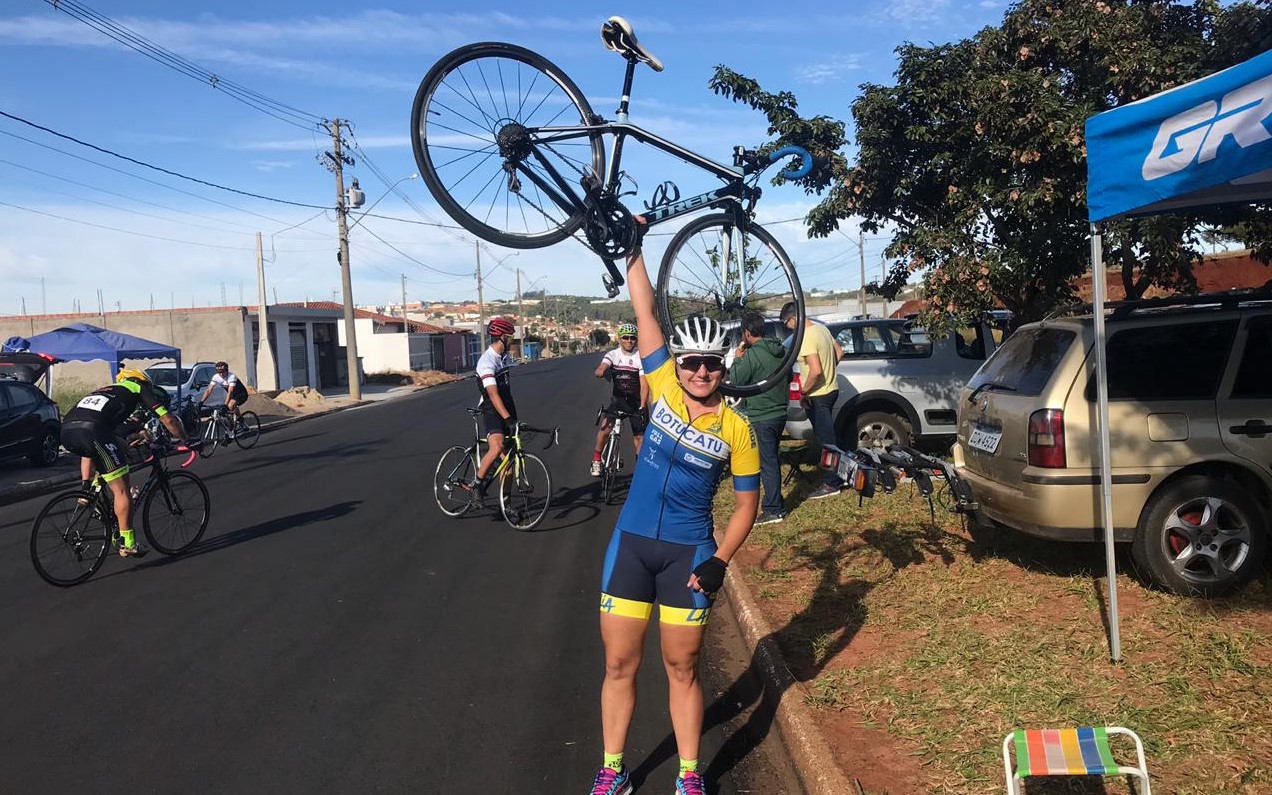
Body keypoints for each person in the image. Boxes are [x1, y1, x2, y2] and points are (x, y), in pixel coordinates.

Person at [588, 221, 760, 795]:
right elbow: (645, 311)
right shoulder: (660, 385)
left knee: (682, 668)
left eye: (711, 363)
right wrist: (632, 245)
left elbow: (746, 505)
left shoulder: (739, 429)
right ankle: (613, 770)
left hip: (689, 554)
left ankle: (689, 775)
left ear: (724, 366)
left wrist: (722, 560)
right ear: (678, 363)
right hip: (632, 547)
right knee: (619, 666)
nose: (700, 372)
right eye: (691, 362)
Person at [61, 368, 197, 557]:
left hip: (67, 431)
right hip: (93, 431)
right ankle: (128, 542)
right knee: (122, 490)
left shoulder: (106, 390)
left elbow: (114, 435)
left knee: (110, 450)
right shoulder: (137, 387)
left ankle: (92, 488)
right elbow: (167, 419)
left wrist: (132, 445)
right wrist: (187, 440)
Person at [729, 311, 789, 524]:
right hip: (781, 412)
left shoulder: (752, 355)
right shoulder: (780, 350)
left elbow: (736, 381)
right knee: (772, 459)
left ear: (746, 332)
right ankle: (775, 504)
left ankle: (773, 509)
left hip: (762, 415)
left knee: (768, 464)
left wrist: (737, 360)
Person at [781, 301, 843, 499]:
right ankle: (838, 474)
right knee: (828, 437)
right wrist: (829, 371)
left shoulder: (806, 337)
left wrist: (803, 393)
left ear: (793, 319)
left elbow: (815, 371)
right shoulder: (821, 329)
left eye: (786, 324)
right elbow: (839, 352)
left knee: (827, 441)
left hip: (818, 395)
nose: (788, 328)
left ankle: (832, 483)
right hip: (831, 390)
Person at [465, 317, 518, 502]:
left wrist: (512, 417)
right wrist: (508, 418)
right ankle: (477, 484)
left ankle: (506, 504)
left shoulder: (503, 359)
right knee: (496, 448)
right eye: (510, 336)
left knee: (509, 465)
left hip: (506, 409)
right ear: (502, 336)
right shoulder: (487, 362)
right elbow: (493, 395)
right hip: (492, 410)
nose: (512, 340)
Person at [591, 322, 648, 477]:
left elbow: (644, 385)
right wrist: (601, 371)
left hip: (636, 403)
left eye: (633, 338)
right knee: (605, 428)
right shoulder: (613, 354)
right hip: (618, 400)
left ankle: (640, 472)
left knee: (640, 438)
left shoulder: (639, 357)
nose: (630, 340)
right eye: (626, 337)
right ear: (619, 339)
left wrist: (643, 407)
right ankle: (596, 460)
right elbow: (603, 366)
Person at [200, 361, 249, 427]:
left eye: (223, 372)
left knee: (230, 405)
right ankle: (231, 426)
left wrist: (225, 405)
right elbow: (209, 390)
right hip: (232, 395)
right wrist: (201, 401)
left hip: (241, 394)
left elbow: (230, 391)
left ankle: (241, 420)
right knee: (227, 412)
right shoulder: (216, 377)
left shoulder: (232, 376)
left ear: (227, 370)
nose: (222, 374)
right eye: (220, 372)